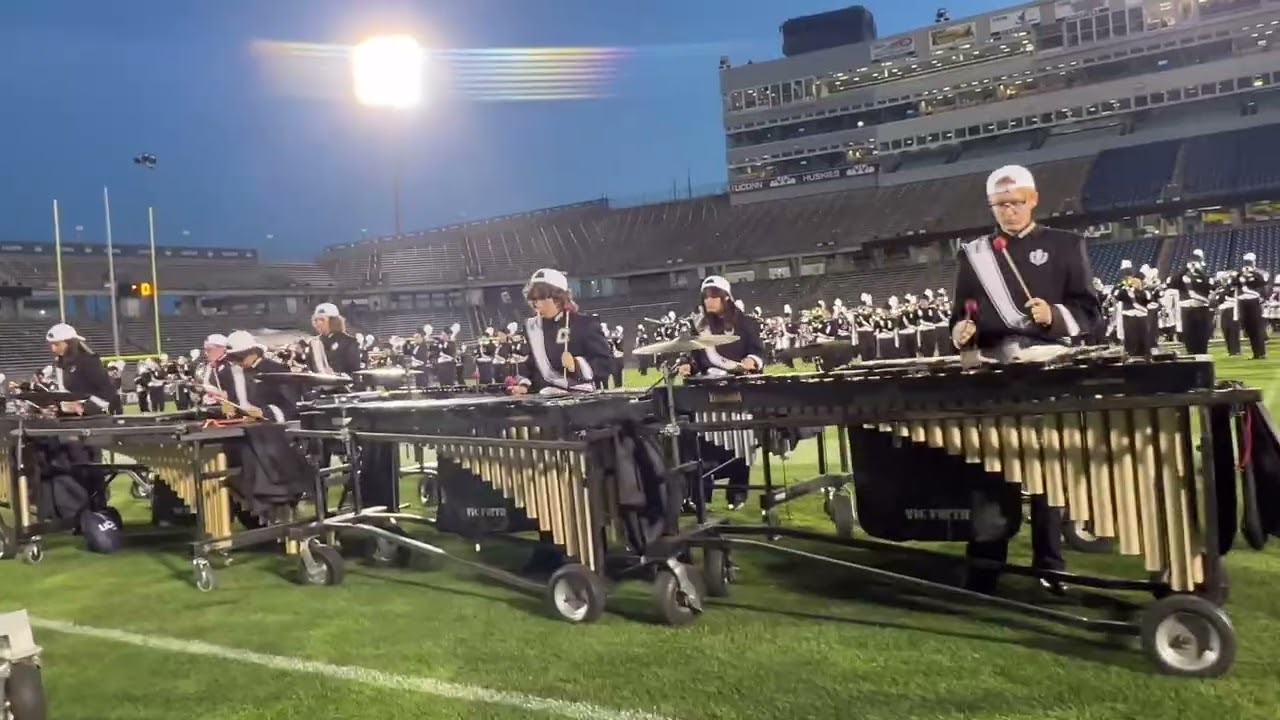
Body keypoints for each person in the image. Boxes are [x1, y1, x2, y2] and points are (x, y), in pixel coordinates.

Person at [948, 164, 1102, 596]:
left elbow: (1091, 315)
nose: (1009, 211)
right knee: (991, 470)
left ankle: (1050, 564)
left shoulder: (1066, 245)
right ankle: (984, 563)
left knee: (1047, 469)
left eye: (1015, 203)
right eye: (1000, 205)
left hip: (1046, 367)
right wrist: (961, 330)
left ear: (1033, 199)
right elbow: (962, 313)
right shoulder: (975, 253)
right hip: (994, 371)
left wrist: (1053, 316)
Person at [677, 275, 765, 510]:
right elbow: (695, 357)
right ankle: (701, 496)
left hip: (737, 389)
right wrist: (689, 365)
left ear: (726, 298)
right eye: (706, 296)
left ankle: (737, 493)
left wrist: (751, 361)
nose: (709, 300)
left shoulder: (746, 323)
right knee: (701, 446)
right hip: (706, 391)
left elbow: (759, 352)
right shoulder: (698, 326)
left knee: (740, 442)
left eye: (714, 296)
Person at [510, 268, 612, 394]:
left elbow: (605, 362)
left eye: (542, 298)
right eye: (534, 299)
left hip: (579, 400)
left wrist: (577, 365)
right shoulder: (532, 327)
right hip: (545, 400)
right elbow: (532, 362)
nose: (537, 305)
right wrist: (525, 385)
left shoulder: (585, 324)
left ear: (559, 299)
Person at [216, 330, 300, 422]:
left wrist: (263, 413)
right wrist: (229, 407)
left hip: (272, 427)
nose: (236, 363)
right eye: (232, 358)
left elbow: (291, 405)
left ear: (253, 353)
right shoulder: (231, 372)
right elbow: (233, 400)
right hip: (243, 428)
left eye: (239, 358)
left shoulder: (275, 370)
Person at [45, 323, 120, 416]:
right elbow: (64, 391)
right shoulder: (60, 363)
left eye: (56, 344)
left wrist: (84, 405)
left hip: (97, 415)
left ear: (70, 343)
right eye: (51, 345)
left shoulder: (89, 361)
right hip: (76, 416)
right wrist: (59, 406)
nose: (53, 349)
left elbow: (108, 393)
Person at [305, 303, 362, 378]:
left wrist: (336, 375)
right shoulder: (314, 343)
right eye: (316, 320)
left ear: (334, 321)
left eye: (322, 320)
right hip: (318, 387)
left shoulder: (349, 342)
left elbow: (355, 371)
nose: (318, 323)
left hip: (342, 387)